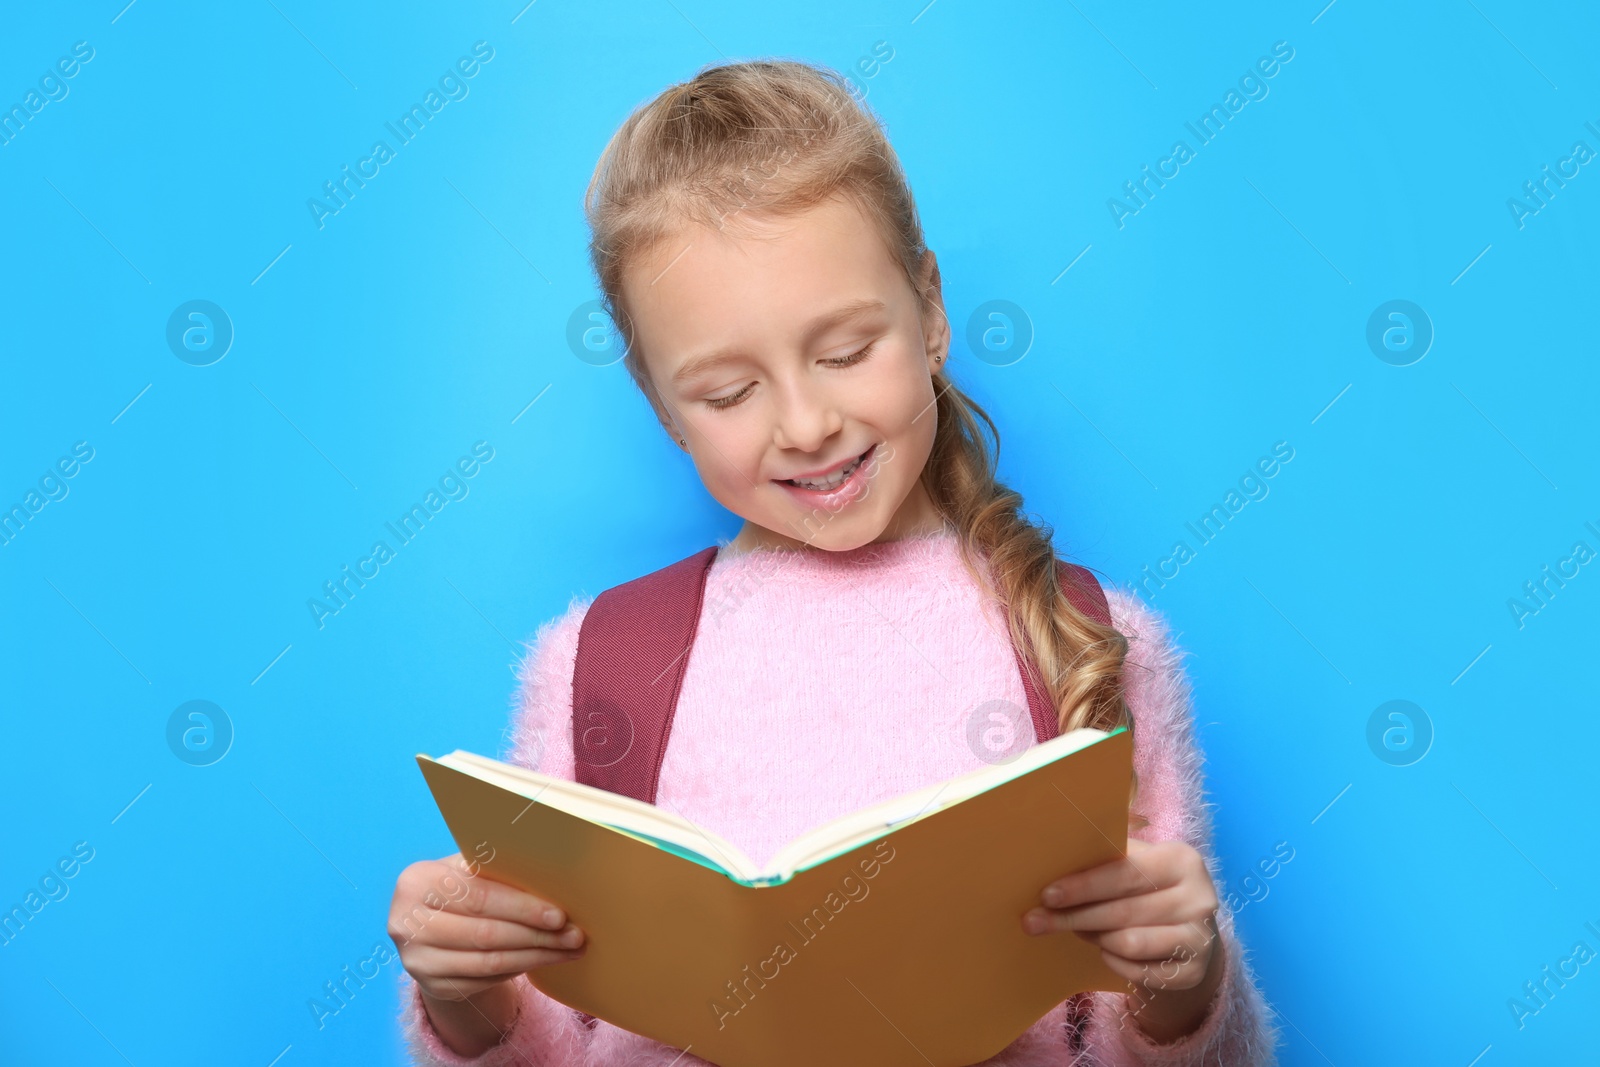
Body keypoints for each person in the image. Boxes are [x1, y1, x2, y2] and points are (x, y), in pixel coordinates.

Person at [389, 58, 1280, 1066]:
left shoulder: (1092, 639)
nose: (807, 424)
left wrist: (1186, 981)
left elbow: (1176, 1039)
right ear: (659, 403)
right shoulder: (594, 659)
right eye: (728, 392)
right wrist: (466, 997)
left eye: (847, 350)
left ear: (930, 310)